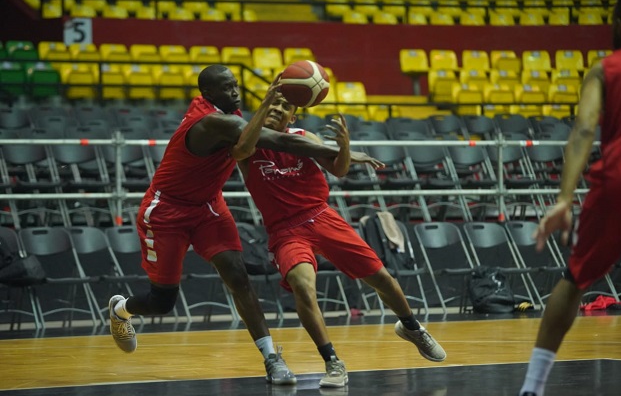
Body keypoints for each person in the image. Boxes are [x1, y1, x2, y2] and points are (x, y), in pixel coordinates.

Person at [107, 65, 377, 385]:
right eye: (226, 87)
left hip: (208, 206)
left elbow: (268, 139)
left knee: (238, 276)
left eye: (235, 85)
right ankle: (121, 310)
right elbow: (278, 141)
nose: (235, 92)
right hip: (166, 211)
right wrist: (335, 150)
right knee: (162, 302)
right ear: (208, 94)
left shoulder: (230, 113)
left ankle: (272, 359)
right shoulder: (211, 121)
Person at [236, 93, 447, 388]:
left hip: (322, 216)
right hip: (286, 231)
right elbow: (241, 150)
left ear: (293, 118)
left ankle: (412, 327)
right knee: (303, 287)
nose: (278, 109)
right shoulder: (246, 139)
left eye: (286, 106)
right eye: (273, 104)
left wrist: (344, 148)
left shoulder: (303, 137)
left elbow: (339, 169)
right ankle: (332, 362)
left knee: (381, 278)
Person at [519, 0, 621, 396]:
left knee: (575, 279)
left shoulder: (604, 69)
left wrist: (564, 198)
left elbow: (584, 129)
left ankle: (532, 387)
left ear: (618, 23)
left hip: (619, 182)